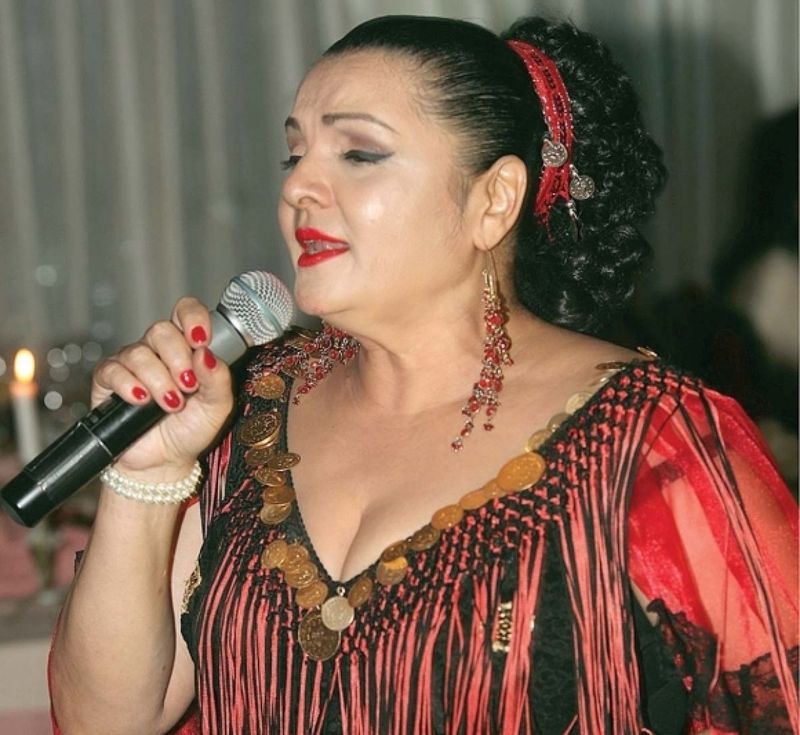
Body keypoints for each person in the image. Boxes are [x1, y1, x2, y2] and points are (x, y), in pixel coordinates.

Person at [48, 14, 798, 735]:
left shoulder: (650, 437)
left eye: (359, 154)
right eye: (294, 155)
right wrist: (146, 475)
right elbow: (100, 721)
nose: (299, 187)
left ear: (494, 200)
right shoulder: (244, 407)